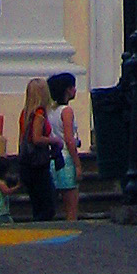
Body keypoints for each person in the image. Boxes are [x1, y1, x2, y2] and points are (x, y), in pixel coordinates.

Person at [15, 77, 58, 220]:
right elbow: (36, 138)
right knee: (48, 202)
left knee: (36, 202)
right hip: (38, 162)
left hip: (26, 162)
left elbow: (22, 138)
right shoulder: (39, 113)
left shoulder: (25, 113)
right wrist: (54, 140)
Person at [48, 72, 82, 223]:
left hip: (53, 158)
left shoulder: (50, 111)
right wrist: (78, 164)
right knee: (71, 206)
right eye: (73, 87)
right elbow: (69, 139)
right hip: (66, 158)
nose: (75, 90)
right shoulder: (66, 111)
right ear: (67, 90)